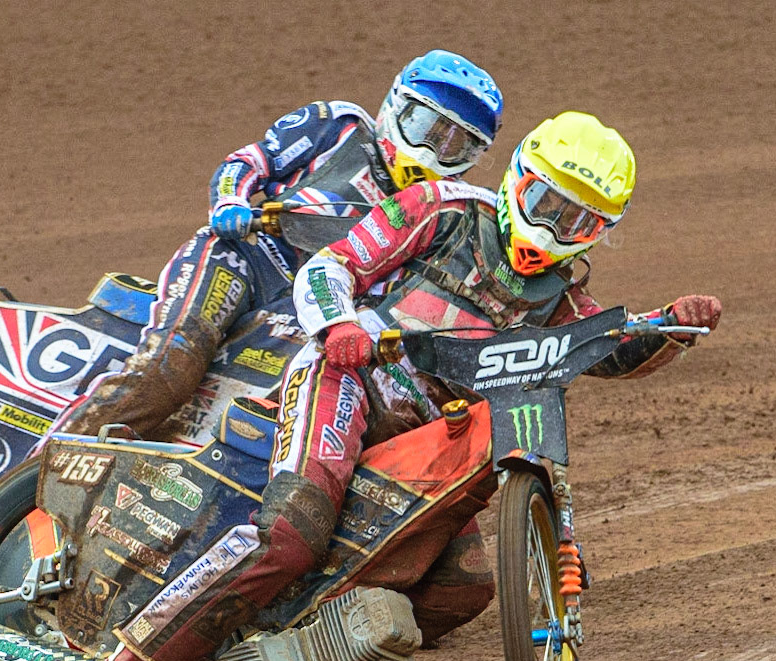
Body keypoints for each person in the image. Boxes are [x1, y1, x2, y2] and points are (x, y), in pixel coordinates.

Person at [85, 111, 723, 661]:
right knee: (294, 528)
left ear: (600, 231)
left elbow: (601, 348)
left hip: (425, 431)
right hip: (351, 378)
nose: (552, 228)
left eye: (576, 220)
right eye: (545, 202)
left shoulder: (558, 298)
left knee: (463, 585)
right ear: (518, 179)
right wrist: (338, 324)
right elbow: (330, 267)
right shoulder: (441, 209)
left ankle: (305, 657)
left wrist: (665, 328)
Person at [46, 50, 504, 441]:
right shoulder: (339, 126)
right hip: (247, 257)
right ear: (397, 107)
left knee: (307, 413)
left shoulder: (444, 212)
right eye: (427, 127)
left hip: (316, 310)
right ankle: (32, 474)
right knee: (167, 371)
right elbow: (249, 161)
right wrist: (231, 200)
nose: (431, 151)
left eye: (454, 145)